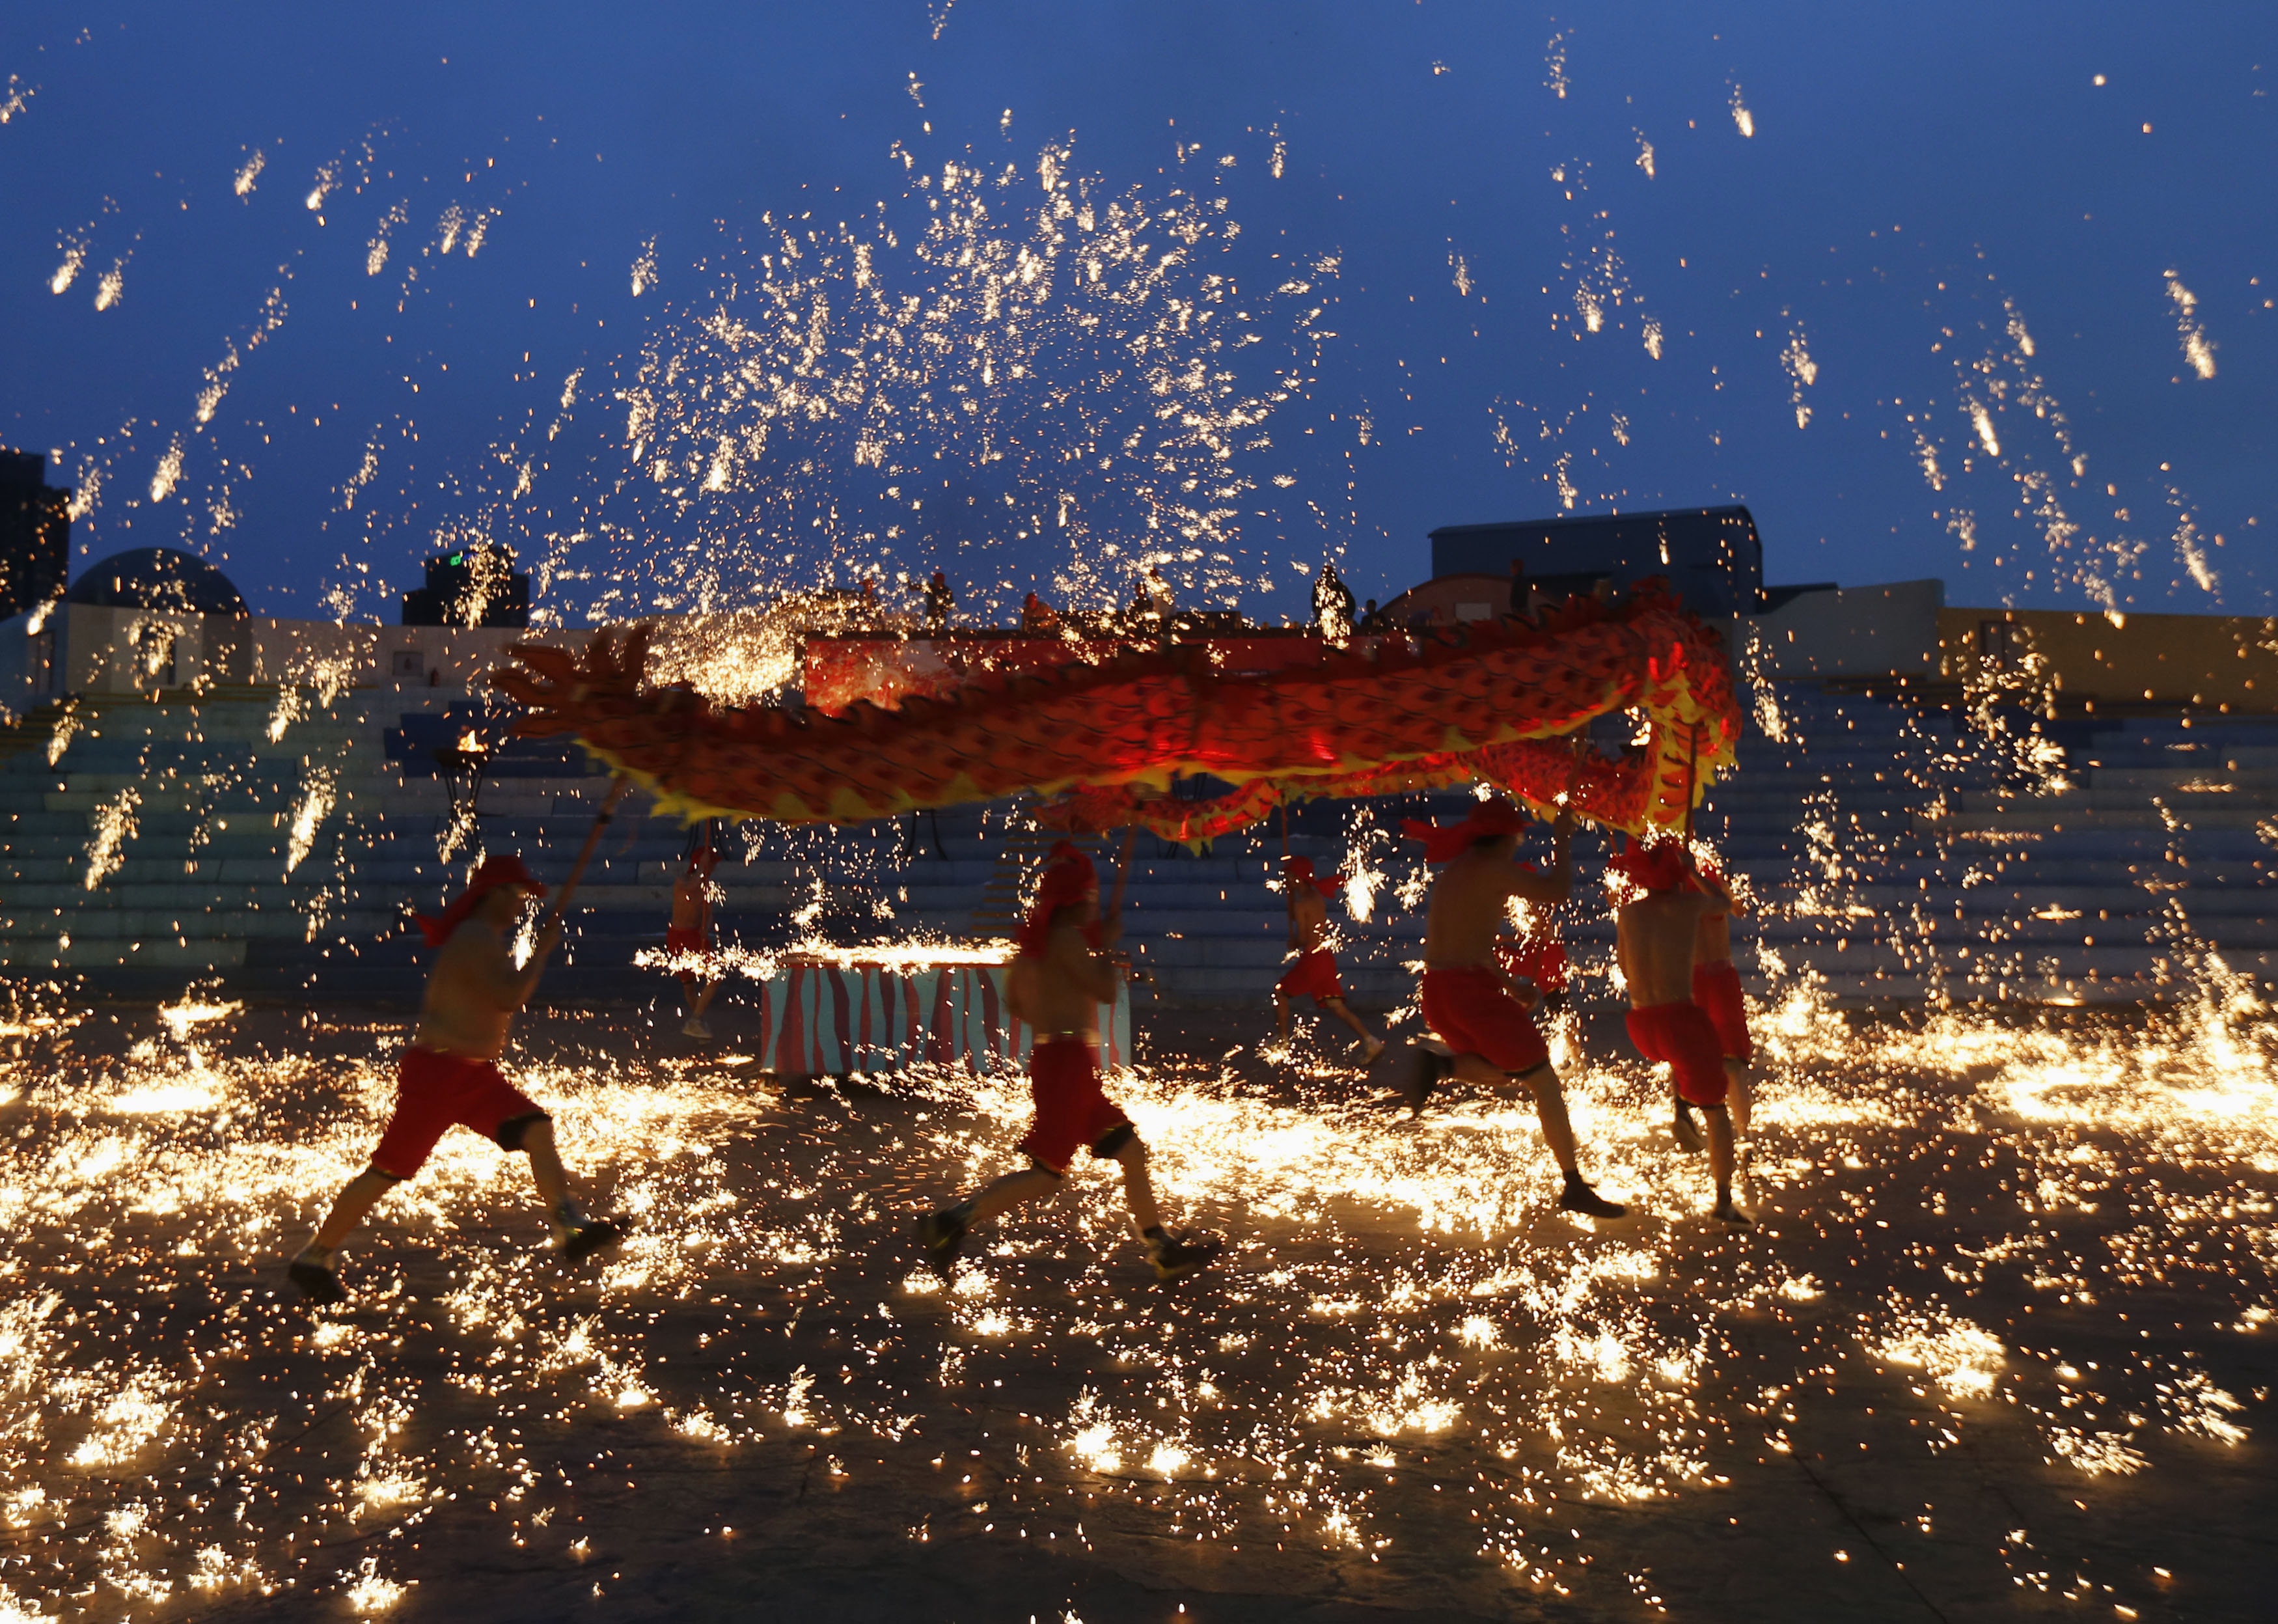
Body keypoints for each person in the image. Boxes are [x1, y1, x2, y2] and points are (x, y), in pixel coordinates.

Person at [288, 855, 625, 1304]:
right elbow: (508, 996)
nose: (521, 905)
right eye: (518, 895)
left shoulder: (482, 937)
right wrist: (542, 953)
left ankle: (571, 1227)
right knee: (388, 1170)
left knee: (537, 1129)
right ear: (494, 894)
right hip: (440, 1073)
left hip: (473, 1075)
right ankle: (314, 1255)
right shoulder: (473, 938)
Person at [916, 842, 1218, 1282]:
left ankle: (1161, 1246)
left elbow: (1015, 1002)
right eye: (1091, 899)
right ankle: (951, 1221)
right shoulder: (1067, 940)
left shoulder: (1033, 944)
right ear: (1079, 899)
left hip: (1056, 1059)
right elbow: (1106, 991)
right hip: (1067, 1065)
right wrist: (1108, 949)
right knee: (1046, 1174)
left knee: (1131, 1151)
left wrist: (1083, 962)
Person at [1403, 799, 1627, 1219]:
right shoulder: (1491, 867)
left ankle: (1441, 1067)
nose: (1519, 842)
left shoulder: (1460, 870)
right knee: (1543, 1081)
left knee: (1508, 1071)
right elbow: (1557, 891)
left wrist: (1508, 984)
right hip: (1468, 992)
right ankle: (1574, 1185)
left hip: (1439, 989)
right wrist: (1562, 839)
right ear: (1505, 837)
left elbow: (1467, 940)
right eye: (1518, 835)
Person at [1611, 837, 1751, 1228]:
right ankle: (1723, 1199)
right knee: (1716, 1110)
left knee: (1680, 1058)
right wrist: (1693, 871)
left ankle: (1679, 1110)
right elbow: (1725, 905)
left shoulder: (1627, 914)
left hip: (1640, 1023)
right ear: (1677, 878)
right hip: (1680, 1018)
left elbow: (1623, 967)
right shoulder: (1690, 904)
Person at [1273, 855, 1385, 1063]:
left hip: (1313, 959)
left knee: (1280, 992)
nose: (1286, 880)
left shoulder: (1301, 904)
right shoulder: (1316, 897)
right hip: (1326, 956)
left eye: (1289, 876)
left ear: (1298, 878)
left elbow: (1306, 938)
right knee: (1337, 1007)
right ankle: (1371, 1041)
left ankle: (1283, 1042)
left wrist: (1294, 942)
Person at [1684, 860, 1754, 1149]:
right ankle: (1712, 1127)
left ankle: (1743, 1134)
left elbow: (1735, 907)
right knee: (1695, 1059)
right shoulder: (1671, 882)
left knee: (1733, 1063)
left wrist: (1695, 875)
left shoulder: (1709, 873)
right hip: (1694, 979)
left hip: (1718, 977)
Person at [668, 831, 725, 1040]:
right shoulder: (683, 880)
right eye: (712, 864)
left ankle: (697, 1021)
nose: (714, 867)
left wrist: (706, 926)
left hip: (694, 935)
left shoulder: (707, 886)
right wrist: (702, 866)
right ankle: (696, 1021)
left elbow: (708, 912)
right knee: (689, 984)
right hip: (679, 935)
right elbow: (690, 889)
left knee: (714, 977)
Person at [1312, 560, 1356, 640]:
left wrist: (1347, 615)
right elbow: (1315, 602)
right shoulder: (1319, 587)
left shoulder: (1340, 587)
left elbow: (1351, 603)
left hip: (1340, 620)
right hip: (1324, 621)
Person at [923, 569, 955, 635]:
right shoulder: (930, 588)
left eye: (937, 581)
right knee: (929, 632)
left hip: (941, 616)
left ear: (942, 581)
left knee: (939, 632)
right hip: (930, 615)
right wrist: (911, 585)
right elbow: (919, 587)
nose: (935, 582)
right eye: (935, 580)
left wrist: (940, 610)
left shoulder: (946, 591)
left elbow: (951, 605)